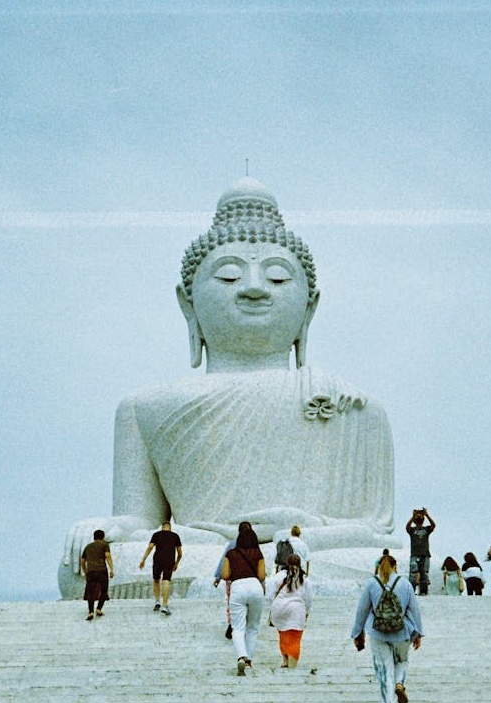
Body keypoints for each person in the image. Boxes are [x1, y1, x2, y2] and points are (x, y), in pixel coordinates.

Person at [62, 178, 397, 594]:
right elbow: (141, 522)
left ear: (309, 307)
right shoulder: (143, 407)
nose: (254, 288)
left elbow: (375, 530)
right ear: (189, 303)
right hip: (204, 548)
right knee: (87, 567)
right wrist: (107, 529)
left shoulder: (356, 407)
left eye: (277, 278)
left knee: (377, 561)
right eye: (228, 277)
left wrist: (308, 535)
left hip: (315, 548)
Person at [350, 554, 423, 703]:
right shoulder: (404, 583)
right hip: (402, 631)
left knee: (385, 670)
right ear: (395, 566)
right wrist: (418, 632)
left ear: (378, 566)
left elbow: (362, 611)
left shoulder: (371, 583)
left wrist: (357, 633)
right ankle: (399, 684)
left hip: (378, 633)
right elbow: (414, 610)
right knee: (402, 661)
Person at [220, 521, 267, 675]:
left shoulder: (231, 554)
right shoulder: (258, 554)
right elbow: (261, 575)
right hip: (255, 587)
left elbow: (225, 575)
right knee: (252, 627)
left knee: (238, 627)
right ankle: (249, 661)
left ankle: (241, 656)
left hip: (238, 587)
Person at [268, 553, 313, 668]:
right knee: (295, 638)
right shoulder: (305, 579)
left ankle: (285, 660)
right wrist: (306, 612)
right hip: (297, 611)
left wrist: (274, 605)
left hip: (280, 608)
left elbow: (271, 592)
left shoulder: (279, 576)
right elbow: (308, 599)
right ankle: (292, 666)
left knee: (283, 635)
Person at [139, 521, 183, 615]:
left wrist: (143, 559)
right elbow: (180, 553)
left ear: (162, 527)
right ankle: (165, 605)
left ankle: (157, 601)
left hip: (157, 560)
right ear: (170, 527)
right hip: (169, 560)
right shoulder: (175, 536)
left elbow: (150, 547)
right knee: (166, 581)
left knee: (156, 580)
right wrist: (176, 563)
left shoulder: (156, 534)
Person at [80, 530, 114, 620]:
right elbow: (108, 556)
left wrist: (85, 571)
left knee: (90, 592)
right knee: (103, 590)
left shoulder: (88, 547)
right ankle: (99, 609)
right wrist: (111, 569)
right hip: (102, 570)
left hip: (91, 571)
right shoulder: (105, 545)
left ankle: (91, 612)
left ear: (94, 537)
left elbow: (82, 561)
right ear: (103, 537)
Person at [406, 508, 435, 595]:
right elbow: (407, 527)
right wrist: (413, 516)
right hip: (414, 554)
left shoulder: (426, 529)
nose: (419, 517)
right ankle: (411, 591)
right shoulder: (412, 530)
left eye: (420, 516)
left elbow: (433, 525)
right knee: (413, 574)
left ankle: (423, 591)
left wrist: (427, 515)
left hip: (425, 554)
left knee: (424, 574)